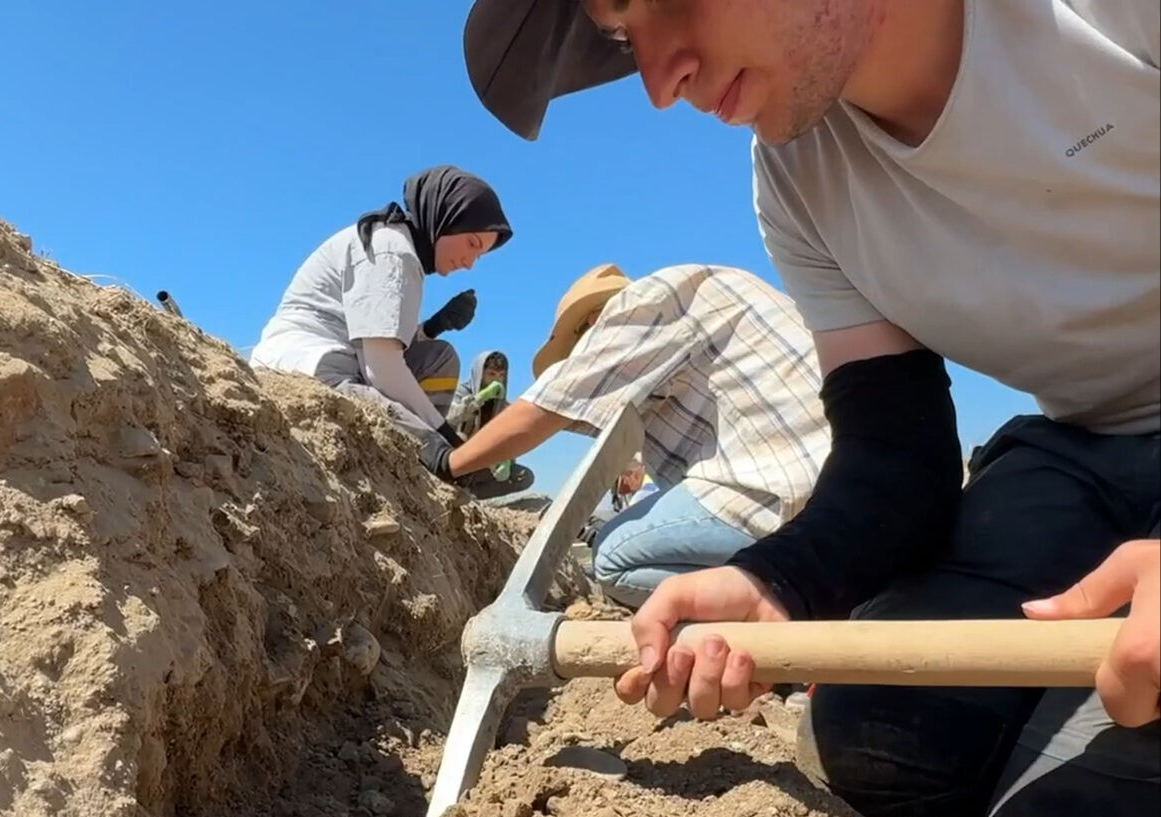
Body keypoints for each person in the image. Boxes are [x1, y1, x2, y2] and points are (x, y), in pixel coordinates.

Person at [458, 0, 1160, 817]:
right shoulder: (796, 172)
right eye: (625, 43)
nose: (660, 86)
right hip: (1075, 452)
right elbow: (895, 452)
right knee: (870, 739)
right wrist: (777, 579)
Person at [426, 262, 831, 607]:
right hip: (848, 477)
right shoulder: (708, 298)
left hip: (791, 486)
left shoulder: (640, 305)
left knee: (614, 557)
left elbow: (548, 409)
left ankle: (789, 607)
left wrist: (451, 462)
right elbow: (567, 413)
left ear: (591, 323)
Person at [249, 165, 513, 463]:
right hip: (311, 363)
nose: (470, 263)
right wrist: (442, 438)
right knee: (376, 405)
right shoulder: (393, 251)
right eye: (472, 244)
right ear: (445, 217)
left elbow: (378, 343)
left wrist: (433, 327)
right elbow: (382, 368)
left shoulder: (400, 247)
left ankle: (426, 461)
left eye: (479, 255)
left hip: (350, 359)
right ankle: (436, 462)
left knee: (441, 356)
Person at [447, 349, 537, 495]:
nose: (496, 380)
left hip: (484, 462)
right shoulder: (461, 393)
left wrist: (507, 460)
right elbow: (451, 418)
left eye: (501, 376)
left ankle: (471, 494)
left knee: (523, 476)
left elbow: (509, 437)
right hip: (456, 455)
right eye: (491, 374)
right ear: (480, 374)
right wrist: (479, 399)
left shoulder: (503, 406)